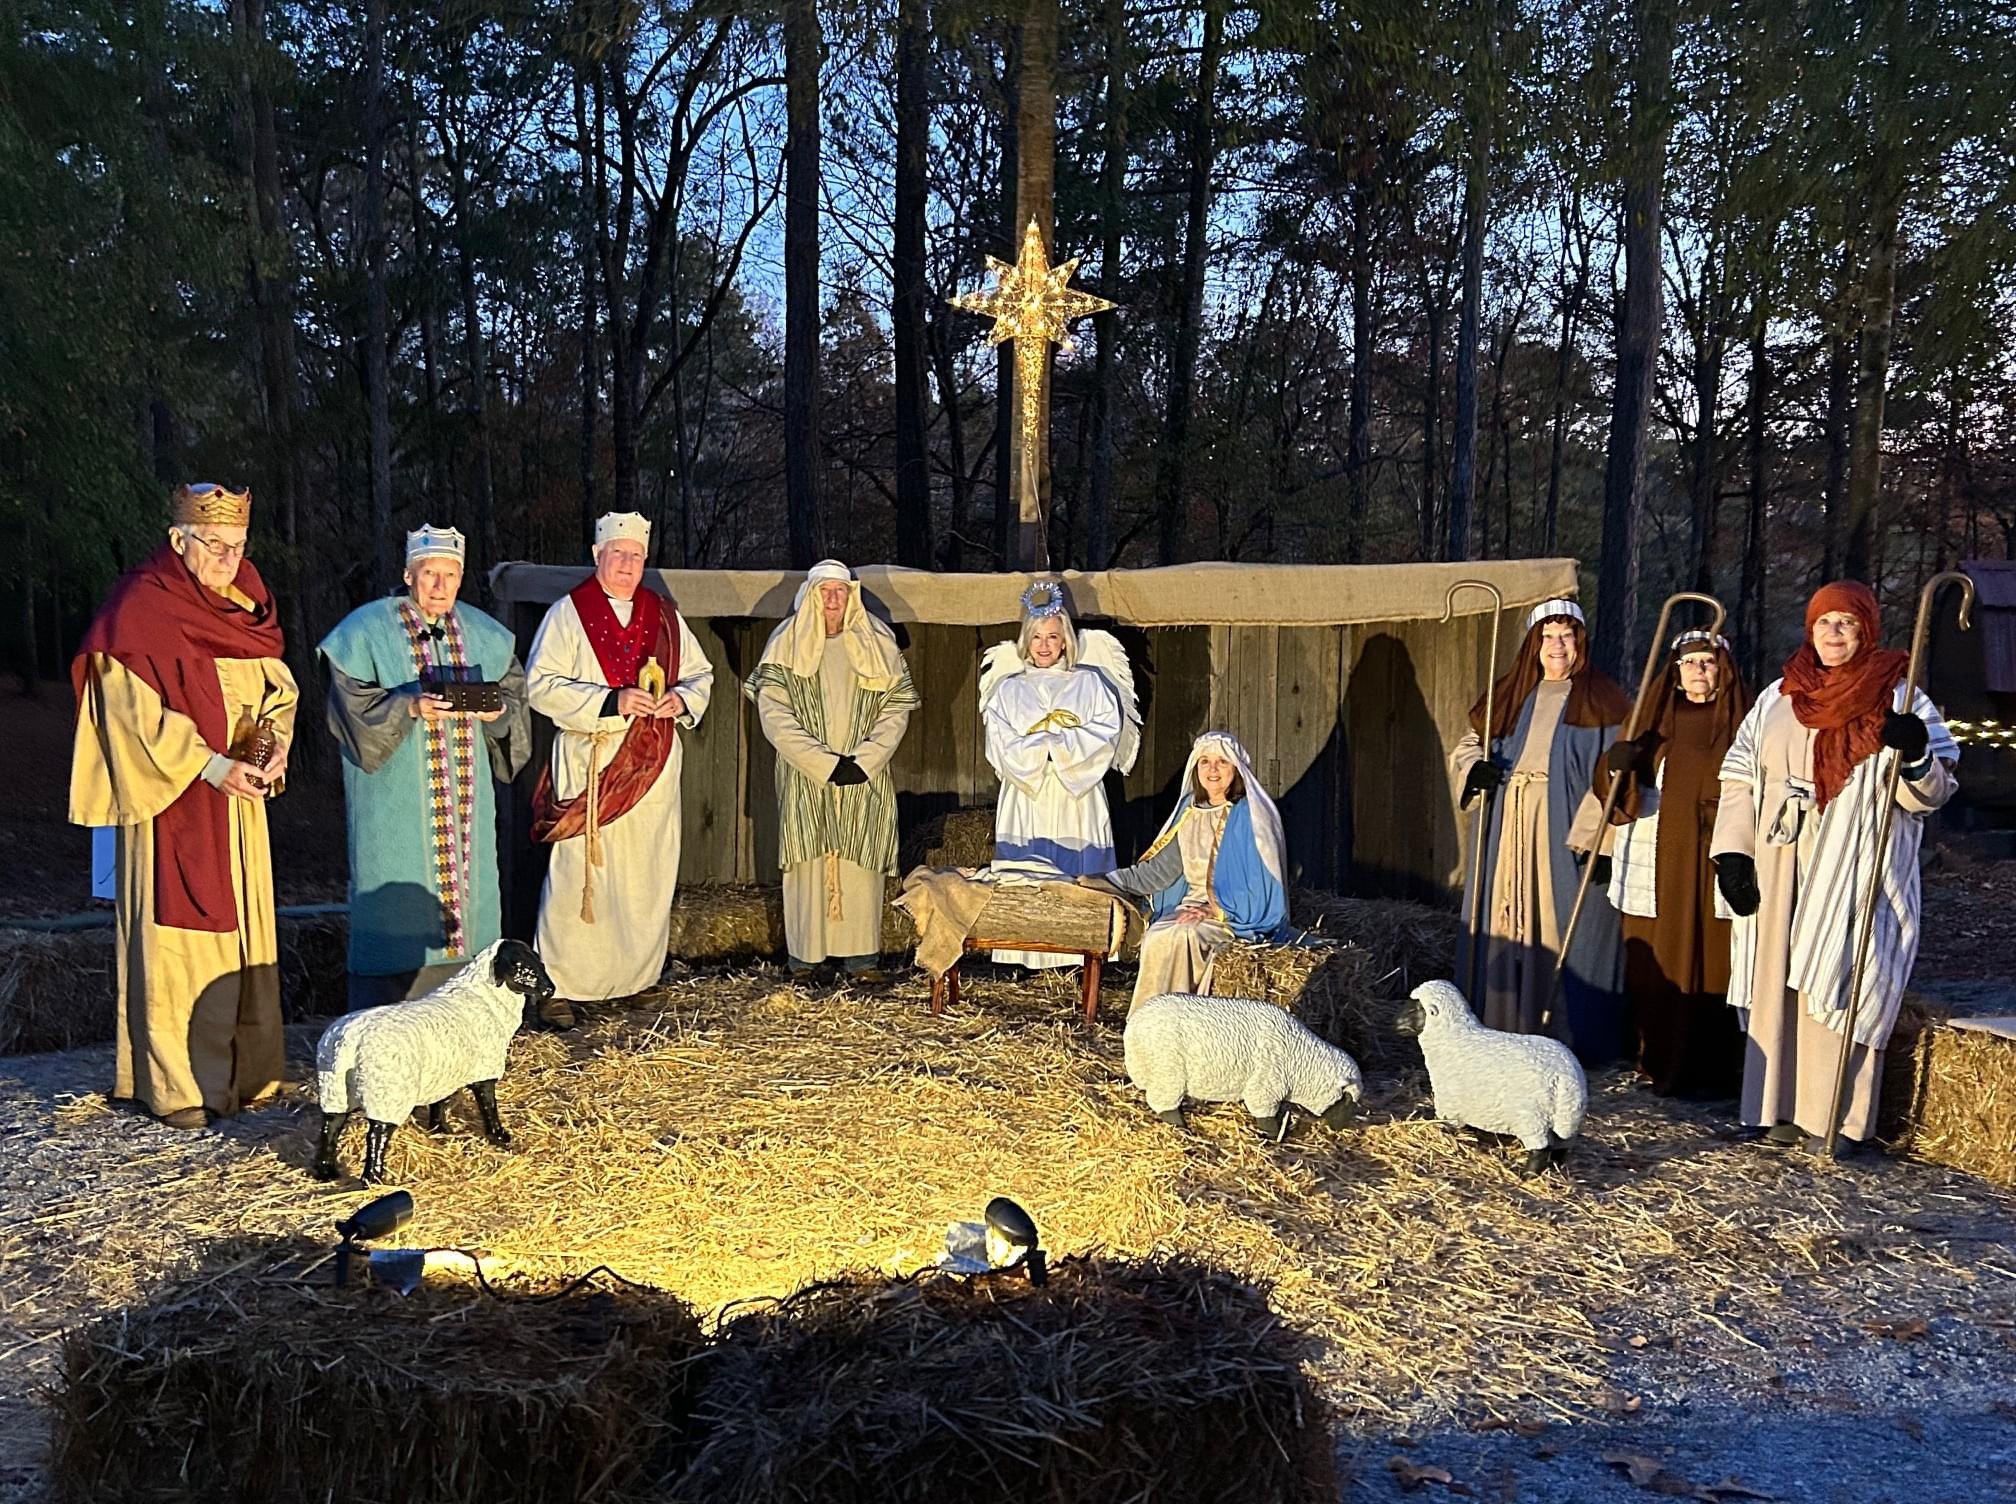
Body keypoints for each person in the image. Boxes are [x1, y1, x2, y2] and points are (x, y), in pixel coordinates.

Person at [68, 482, 298, 1129]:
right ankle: (182, 1086)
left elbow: (276, 687)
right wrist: (210, 764)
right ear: (179, 540)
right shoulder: (139, 607)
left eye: (238, 545)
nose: (228, 558)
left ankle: (249, 1074)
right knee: (180, 935)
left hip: (240, 803)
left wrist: (275, 743)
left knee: (245, 928)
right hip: (173, 795)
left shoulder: (247, 602)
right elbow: (125, 709)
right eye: (214, 544)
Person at [1711, 581, 1958, 1155]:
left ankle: (1837, 1119)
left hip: (1855, 857)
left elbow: (1934, 792)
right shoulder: (1779, 694)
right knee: (1776, 977)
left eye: (1847, 623)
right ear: (1810, 628)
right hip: (1781, 857)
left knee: (1844, 975)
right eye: (1825, 622)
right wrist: (1733, 852)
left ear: (1866, 630)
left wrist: (1915, 754)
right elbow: (1740, 774)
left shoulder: (1901, 695)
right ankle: (1776, 1107)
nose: (1834, 633)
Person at [317, 524, 532, 1009]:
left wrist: (497, 711)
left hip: (467, 809)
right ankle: (385, 1019)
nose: (440, 585)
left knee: (472, 913)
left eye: (450, 574)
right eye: (429, 573)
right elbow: (349, 712)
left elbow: (515, 706)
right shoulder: (364, 633)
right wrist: (409, 706)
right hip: (396, 805)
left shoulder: (486, 636)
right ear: (408, 575)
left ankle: (464, 1023)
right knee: (394, 910)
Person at [526, 512, 714, 1021]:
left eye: (635, 555)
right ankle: (560, 984)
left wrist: (681, 699)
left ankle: (637, 977)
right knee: (580, 872)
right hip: (592, 757)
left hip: (652, 759)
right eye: (617, 554)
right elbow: (540, 685)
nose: (627, 564)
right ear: (597, 555)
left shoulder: (663, 615)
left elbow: (700, 674)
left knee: (646, 870)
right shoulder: (569, 614)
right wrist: (611, 701)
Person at [1449, 598, 1629, 1064]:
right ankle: (1501, 1022)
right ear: (1533, 643)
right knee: (1504, 913)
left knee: (1559, 918)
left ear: (1580, 642)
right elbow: (1470, 743)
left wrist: (1599, 839)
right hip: (1507, 822)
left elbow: (1616, 774)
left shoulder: (1603, 699)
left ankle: (1560, 1032)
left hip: (1564, 825)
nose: (1557, 645)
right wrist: (1475, 769)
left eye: (1566, 635)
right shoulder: (1510, 693)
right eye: (1548, 636)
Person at [1587, 631, 1753, 1097]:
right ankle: (1658, 1059)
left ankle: (1718, 1069)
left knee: (1720, 958)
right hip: (1660, 857)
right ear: (1676, 672)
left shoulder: (1745, 722)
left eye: (1709, 662)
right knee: (1657, 958)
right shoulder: (1653, 720)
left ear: (1724, 670)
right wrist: (1616, 765)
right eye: (1690, 662)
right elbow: (1615, 791)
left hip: (1719, 858)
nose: (1699, 670)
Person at [747, 560, 918, 980]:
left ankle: (862, 958)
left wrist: (865, 761)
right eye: (825, 591)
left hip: (864, 774)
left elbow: (895, 710)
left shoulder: (878, 641)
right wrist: (821, 763)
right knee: (807, 862)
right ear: (810, 595)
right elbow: (774, 714)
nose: (833, 598)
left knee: (860, 863)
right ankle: (804, 959)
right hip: (806, 774)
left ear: (851, 595)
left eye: (841, 590)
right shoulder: (786, 642)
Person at [979, 580, 1139, 968]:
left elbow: (1106, 732)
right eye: (1037, 637)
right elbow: (999, 741)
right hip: (1028, 792)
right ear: (1026, 640)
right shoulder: (1009, 690)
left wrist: (1056, 746)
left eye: (1053, 636)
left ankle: (1082, 953)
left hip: (1076, 793)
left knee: (1077, 866)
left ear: (1066, 640)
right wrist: (1045, 749)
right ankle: (1026, 949)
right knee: (1028, 868)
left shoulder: (1090, 683)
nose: (1045, 645)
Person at [1080, 732, 1290, 1013]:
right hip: (1190, 906)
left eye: (1222, 762)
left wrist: (1214, 909)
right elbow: (1159, 872)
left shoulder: (1250, 815)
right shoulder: (1189, 810)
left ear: (1236, 768)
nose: (1212, 769)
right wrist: (1110, 880)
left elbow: (1260, 883)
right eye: (1205, 761)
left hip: (1235, 914)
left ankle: (1182, 1019)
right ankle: (1149, 1020)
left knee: (1186, 936)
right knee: (1157, 936)